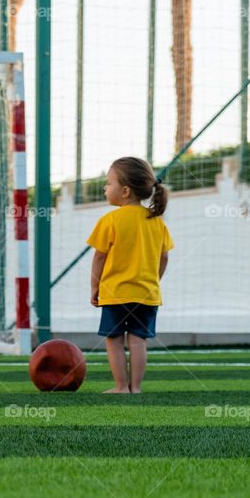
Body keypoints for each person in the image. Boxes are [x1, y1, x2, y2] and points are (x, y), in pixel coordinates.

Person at [87, 157, 172, 394]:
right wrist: (153, 282)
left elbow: (99, 258)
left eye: (108, 182)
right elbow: (163, 258)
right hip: (147, 294)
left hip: (116, 293)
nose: (105, 187)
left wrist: (95, 287)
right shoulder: (157, 222)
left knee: (114, 339)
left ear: (124, 191)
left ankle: (121, 386)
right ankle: (136, 388)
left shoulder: (109, 220)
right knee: (138, 341)